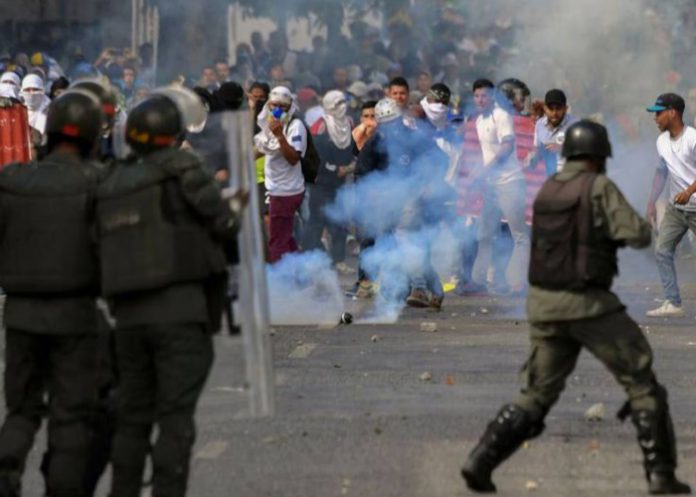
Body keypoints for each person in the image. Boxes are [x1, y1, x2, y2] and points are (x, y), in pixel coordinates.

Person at [461, 120, 691, 496]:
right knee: (643, 383)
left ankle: (479, 461)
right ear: (598, 157)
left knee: (535, 394)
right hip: (588, 303)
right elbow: (635, 233)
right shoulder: (599, 187)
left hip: (543, 305)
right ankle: (661, 476)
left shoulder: (549, 189)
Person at [95, 87, 242, 497]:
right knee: (175, 418)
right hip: (182, 311)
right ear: (175, 133)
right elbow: (226, 223)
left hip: (127, 316)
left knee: (133, 414)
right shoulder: (185, 167)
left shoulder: (113, 178)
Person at [0, 89, 105, 497]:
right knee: (71, 414)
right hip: (75, 315)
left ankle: (6, 469)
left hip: (21, 313)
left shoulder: (11, 180)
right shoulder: (99, 183)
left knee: (22, 410)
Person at [468, 78, 529, 294]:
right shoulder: (478, 121)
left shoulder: (501, 116)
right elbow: (487, 154)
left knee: (519, 235)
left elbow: (506, 147)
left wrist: (485, 171)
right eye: (476, 96)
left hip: (511, 182)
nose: (480, 99)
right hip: (492, 186)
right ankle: (477, 282)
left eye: (484, 95)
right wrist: (477, 174)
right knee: (484, 233)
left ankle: (517, 283)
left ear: (492, 96)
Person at [645, 93, 696, 317]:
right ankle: (673, 302)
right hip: (677, 209)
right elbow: (662, 172)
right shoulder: (661, 141)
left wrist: (689, 191)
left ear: (672, 112)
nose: (655, 118)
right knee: (662, 250)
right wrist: (651, 202)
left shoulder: (692, 138)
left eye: (659, 113)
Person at [303, 90, 355, 273]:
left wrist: (350, 165)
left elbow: (352, 148)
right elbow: (314, 157)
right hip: (322, 182)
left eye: (344, 102)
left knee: (339, 220)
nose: (343, 107)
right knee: (317, 220)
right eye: (339, 103)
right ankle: (311, 260)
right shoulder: (320, 126)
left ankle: (338, 259)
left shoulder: (348, 123)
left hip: (341, 182)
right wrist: (333, 169)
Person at [254, 86, 307, 263]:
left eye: (282, 107)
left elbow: (293, 158)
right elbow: (262, 149)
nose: (277, 110)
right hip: (276, 188)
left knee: (276, 240)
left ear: (290, 106)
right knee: (286, 236)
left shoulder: (295, 126)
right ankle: (303, 271)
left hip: (285, 191)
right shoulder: (270, 126)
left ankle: (280, 281)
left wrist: (280, 136)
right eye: (274, 105)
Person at [527, 89, 578, 176]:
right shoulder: (540, 125)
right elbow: (537, 148)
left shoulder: (575, 124)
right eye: (551, 109)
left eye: (558, 108)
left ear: (565, 109)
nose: (554, 113)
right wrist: (532, 158)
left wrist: (562, 147)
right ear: (545, 108)